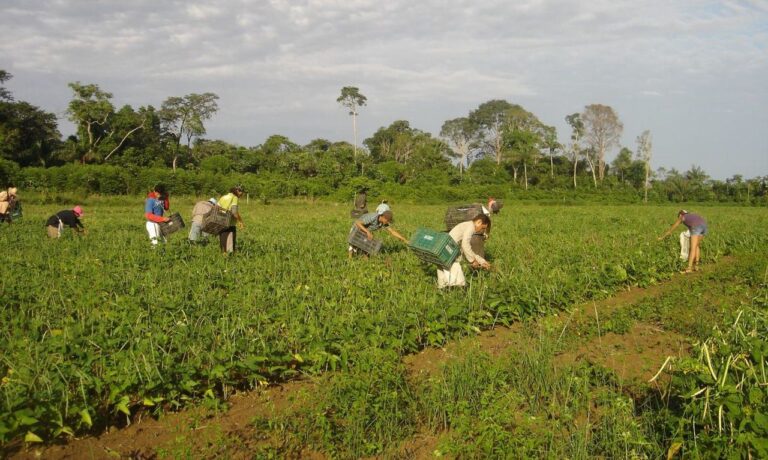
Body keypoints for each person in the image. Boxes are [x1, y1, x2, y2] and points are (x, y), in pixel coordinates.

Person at [438, 214, 492, 288]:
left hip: (444, 248)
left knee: (442, 270)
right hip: (449, 250)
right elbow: (465, 244)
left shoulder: (467, 225)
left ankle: (442, 289)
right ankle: (458, 290)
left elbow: (467, 249)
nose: (481, 231)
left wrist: (482, 261)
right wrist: (472, 260)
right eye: (483, 228)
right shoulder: (471, 227)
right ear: (479, 222)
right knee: (459, 279)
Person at [217, 186, 245, 253]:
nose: (242, 194)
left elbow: (216, 208)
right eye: (241, 192)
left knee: (223, 239)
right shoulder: (234, 197)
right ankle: (229, 257)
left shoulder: (223, 197)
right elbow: (234, 212)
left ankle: (223, 254)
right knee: (230, 242)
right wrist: (240, 221)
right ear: (238, 191)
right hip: (230, 223)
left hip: (221, 221)